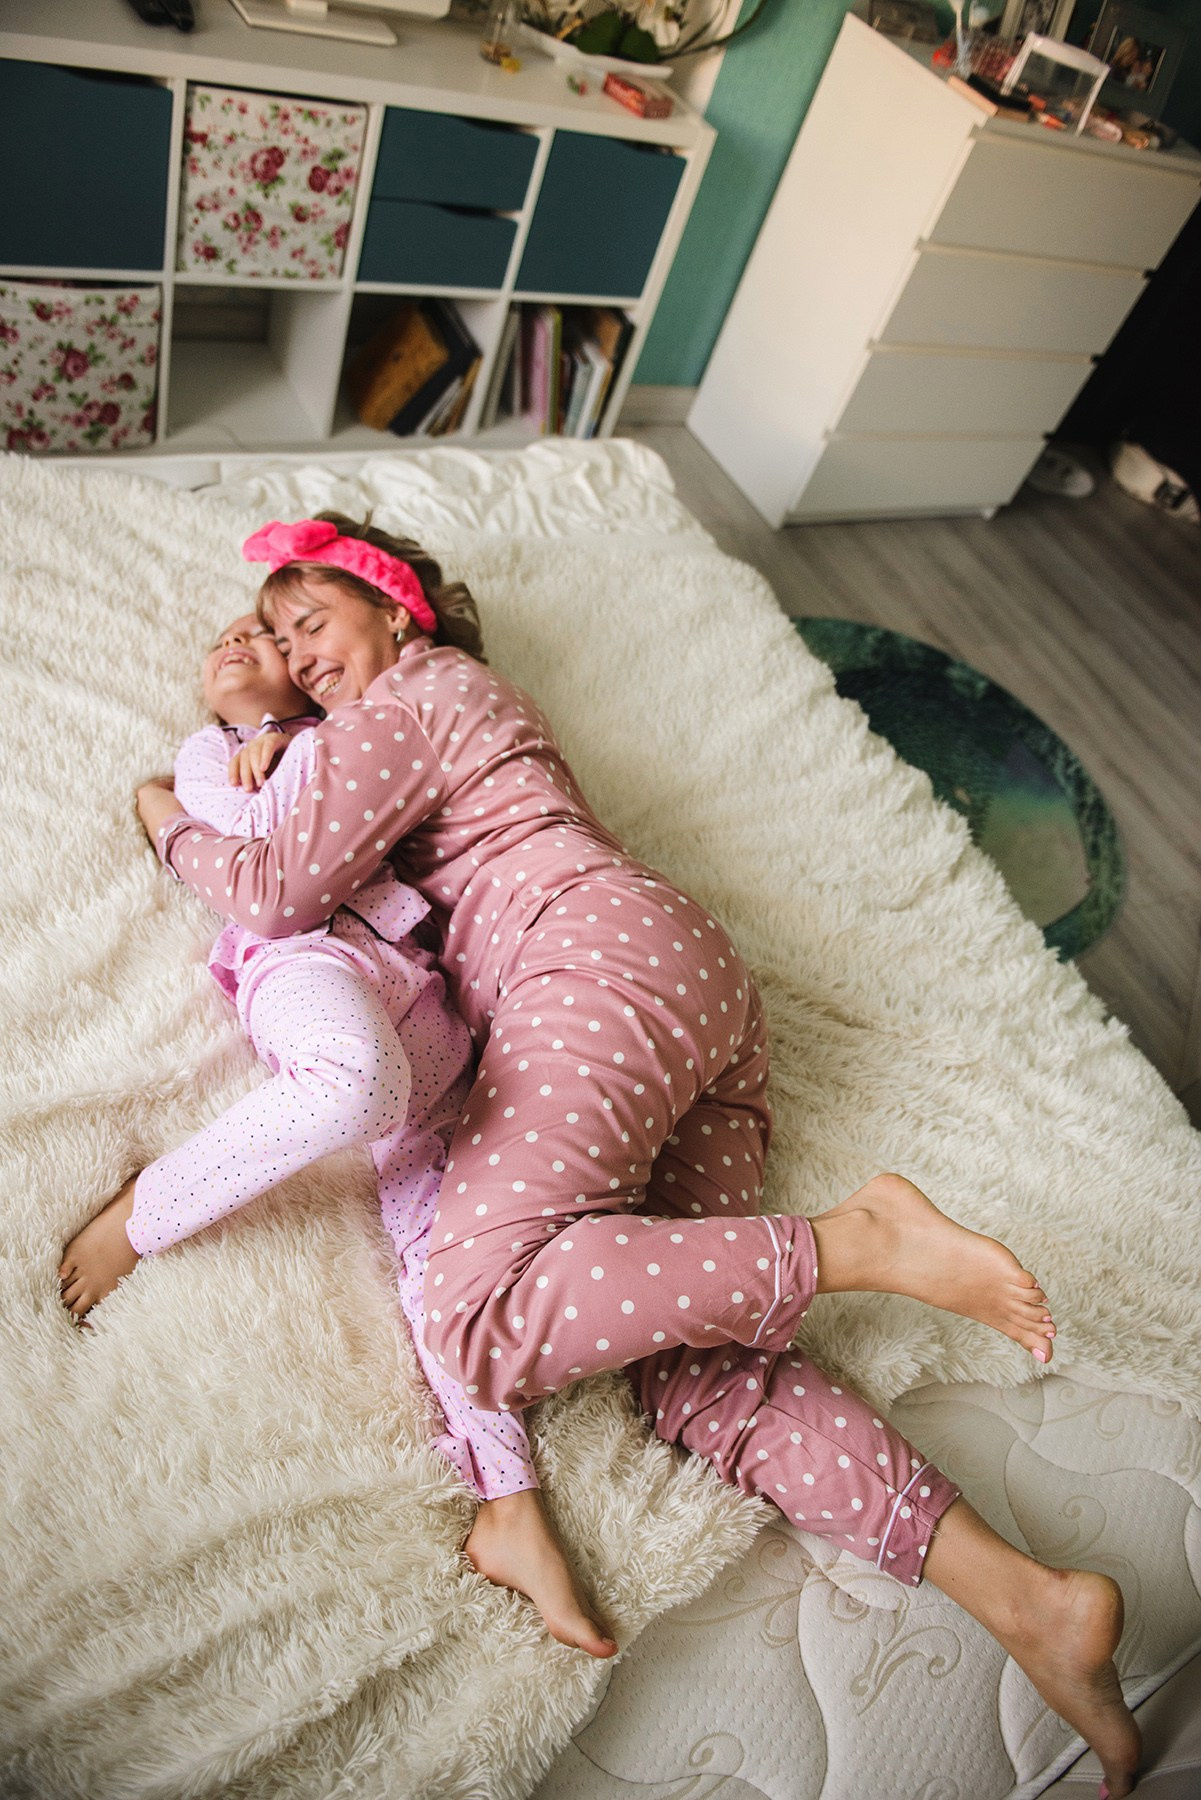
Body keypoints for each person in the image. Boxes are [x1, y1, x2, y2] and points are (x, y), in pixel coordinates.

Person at [134, 515, 1140, 1796]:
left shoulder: (417, 695)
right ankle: (1029, 1603)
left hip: (589, 968)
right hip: (680, 993)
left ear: (395, 606)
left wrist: (161, 812)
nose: (294, 649)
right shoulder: (390, 726)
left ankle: (857, 1242)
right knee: (694, 1381)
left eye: (310, 617)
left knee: (479, 1321)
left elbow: (274, 891)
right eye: (276, 636)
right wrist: (263, 728)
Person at [60, 610, 618, 1658]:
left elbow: (401, 827)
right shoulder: (208, 752)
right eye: (223, 639)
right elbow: (242, 849)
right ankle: (151, 1208)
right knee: (353, 1084)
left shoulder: (360, 731)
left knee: (447, 1257)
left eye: (263, 636)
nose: (235, 642)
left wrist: (308, 744)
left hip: (423, 991)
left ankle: (509, 1503)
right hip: (305, 963)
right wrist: (226, 774)